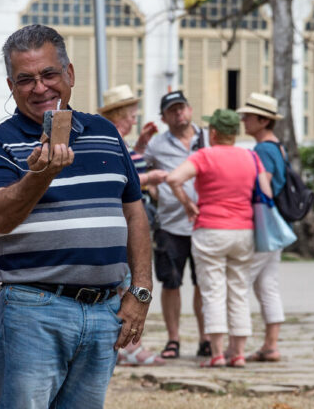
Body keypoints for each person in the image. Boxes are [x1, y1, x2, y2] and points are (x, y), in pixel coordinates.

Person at [0, 24, 153, 408]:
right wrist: (40, 175)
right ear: (10, 85)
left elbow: (134, 213)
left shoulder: (106, 132)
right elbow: (1, 216)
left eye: (49, 74)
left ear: (69, 74)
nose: (39, 88)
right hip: (33, 310)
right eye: (25, 79)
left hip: (105, 310)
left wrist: (140, 292)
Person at [166, 109, 273, 368]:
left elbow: (173, 178)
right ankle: (237, 353)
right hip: (244, 231)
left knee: (213, 290)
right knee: (238, 290)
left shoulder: (204, 155)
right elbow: (267, 192)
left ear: (213, 133)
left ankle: (216, 354)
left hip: (211, 229)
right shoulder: (251, 157)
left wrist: (188, 204)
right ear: (234, 133)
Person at [99, 84, 167, 366]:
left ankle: (126, 344)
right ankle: (129, 345)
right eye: (131, 115)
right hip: (123, 223)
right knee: (127, 286)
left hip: (125, 221)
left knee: (125, 284)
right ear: (119, 115)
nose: (134, 119)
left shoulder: (119, 140)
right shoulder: (112, 138)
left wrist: (140, 145)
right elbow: (128, 178)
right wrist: (152, 179)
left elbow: (131, 164)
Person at [140, 90, 210, 359]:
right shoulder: (157, 144)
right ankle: (173, 339)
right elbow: (138, 171)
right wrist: (153, 188)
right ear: (164, 117)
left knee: (204, 283)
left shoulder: (207, 139)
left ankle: (206, 338)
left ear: (190, 110)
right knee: (171, 282)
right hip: (170, 224)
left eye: (182, 108)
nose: (179, 113)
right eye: (172, 110)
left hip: (206, 222)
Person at [238, 92, 287, 363]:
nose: (243, 120)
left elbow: (263, 184)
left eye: (248, 116)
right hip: (275, 226)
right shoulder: (277, 146)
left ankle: (237, 346)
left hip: (263, 225)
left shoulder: (264, 150)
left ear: (263, 120)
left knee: (241, 283)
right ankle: (271, 345)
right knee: (268, 284)